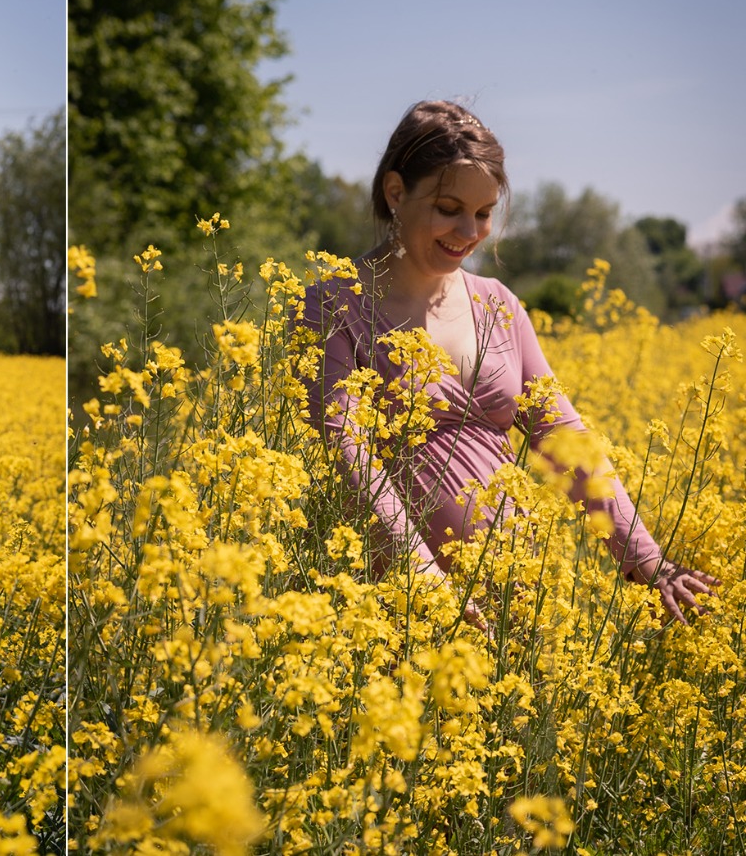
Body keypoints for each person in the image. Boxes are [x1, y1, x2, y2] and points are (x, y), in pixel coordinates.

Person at [302, 100, 717, 625]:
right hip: (395, 612)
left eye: (483, 213)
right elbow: (347, 454)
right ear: (396, 192)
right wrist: (421, 579)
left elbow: (563, 437)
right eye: (449, 208)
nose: (469, 232)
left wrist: (646, 558)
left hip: (512, 610)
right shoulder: (330, 307)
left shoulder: (498, 304)